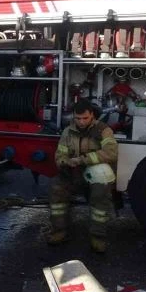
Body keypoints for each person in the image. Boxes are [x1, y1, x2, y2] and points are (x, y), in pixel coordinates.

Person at [48, 98, 118, 253]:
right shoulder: (68, 132)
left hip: (94, 172)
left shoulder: (103, 130)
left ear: (92, 115)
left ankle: (98, 237)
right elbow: (60, 154)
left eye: (85, 118)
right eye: (77, 118)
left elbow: (111, 153)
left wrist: (82, 160)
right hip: (73, 173)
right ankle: (59, 232)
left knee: (100, 196)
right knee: (57, 189)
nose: (81, 122)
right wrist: (64, 163)